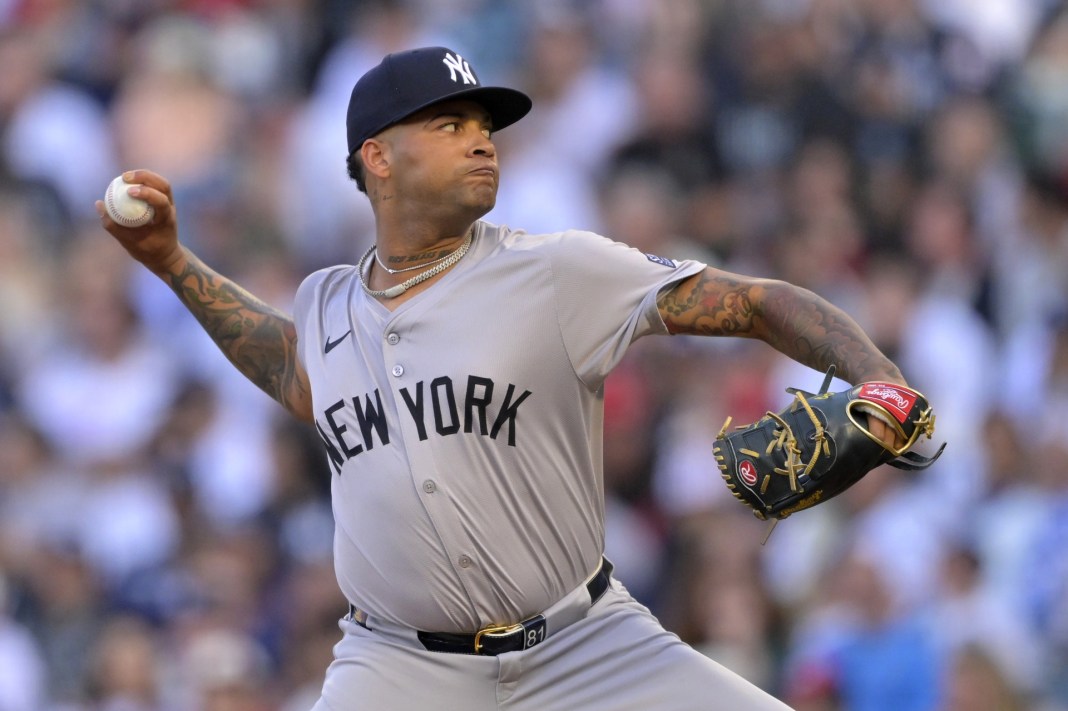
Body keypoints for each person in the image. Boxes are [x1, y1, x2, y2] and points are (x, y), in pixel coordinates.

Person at [98, 46, 909, 711]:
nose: (482, 141)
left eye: (484, 127)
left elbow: (755, 303)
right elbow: (288, 366)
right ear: (376, 158)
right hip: (398, 668)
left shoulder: (557, 270)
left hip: (588, 646)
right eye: (451, 125)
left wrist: (879, 379)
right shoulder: (326, 303)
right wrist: (170, 261)